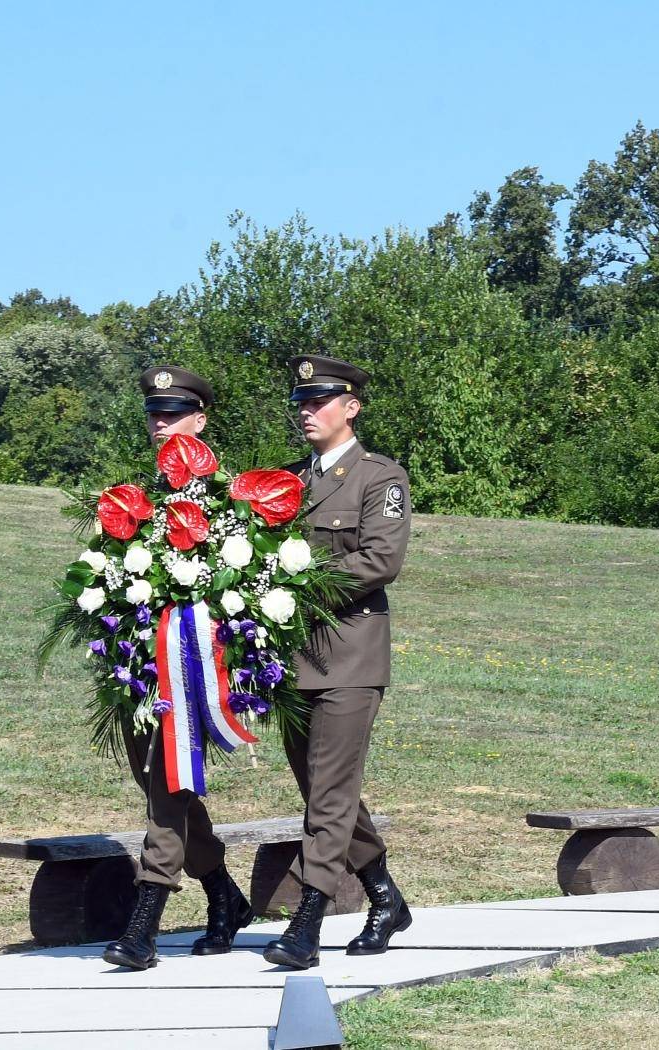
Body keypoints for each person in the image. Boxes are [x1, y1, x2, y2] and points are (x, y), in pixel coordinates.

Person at [261, 353, 413, 970]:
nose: (306, 410)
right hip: (295, 661)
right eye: (300, 401)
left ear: (350, 408)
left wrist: (296, 581)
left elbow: (380, 562)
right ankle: (384, 895)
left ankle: (307, 921)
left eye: (318, 400)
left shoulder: (380, 478)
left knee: (327, 795)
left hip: (351, 655)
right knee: (325, 790)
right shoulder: (287, 483)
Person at [103, 366, 250, 970]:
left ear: (201, 420)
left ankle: (144, 922)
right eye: (154, 412)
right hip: (145, 669)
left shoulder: (232, 501)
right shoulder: (138, 500)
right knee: (164, 783)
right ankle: (224, 896)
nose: (161, 422)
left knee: (168, 787)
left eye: (174, 411)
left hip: (200, 670)